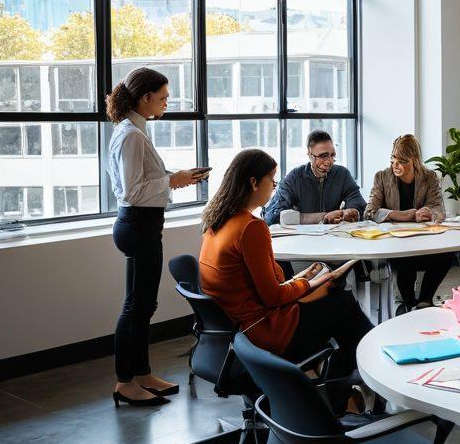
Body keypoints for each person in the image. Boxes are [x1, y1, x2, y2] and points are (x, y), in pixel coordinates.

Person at [199, 149, 370, 385]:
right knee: (344, 306)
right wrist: (308, 283)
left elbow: (257, 287)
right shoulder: (251, 228)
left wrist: (299, 279)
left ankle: (337, 393)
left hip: (242, 333)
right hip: (266, 331)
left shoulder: (216, 222)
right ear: (254, 182)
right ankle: (340, 394)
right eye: (272, 179)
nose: (274, 187)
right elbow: (273, 297)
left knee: (341, 310)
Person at [107, 67, 210, 407]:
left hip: (142, 224)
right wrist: (172, 180)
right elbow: (134, 191)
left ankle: (142, 374)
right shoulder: (132, 135)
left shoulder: (137, 131)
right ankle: (125, 382)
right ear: (145, 97)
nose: (167, 102)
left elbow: (141, 180)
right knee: (136, 307)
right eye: (163, 97)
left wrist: (174, 177)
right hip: (137, 224)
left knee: (142, 305)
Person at [365, 134, 452, 312]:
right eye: (392, 158)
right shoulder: (382, 177)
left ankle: (425, 301)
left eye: (401, 160)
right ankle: (408, 303)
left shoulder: (429, 177)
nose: (395, 164)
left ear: (414, 160)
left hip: (424, 241)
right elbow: (369, 212)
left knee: (447, 254)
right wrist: (399, 215)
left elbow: (439, 210)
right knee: (405, 259)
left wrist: (429, 212)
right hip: (397, 243)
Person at [261, 129, 366, 226]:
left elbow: (360, 206)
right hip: (302, 240)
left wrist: (352, 212)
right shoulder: (294, 177)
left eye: (332, 155)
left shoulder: (342, 174)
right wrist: (323, 217)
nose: (329, 162)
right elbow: (271, 216)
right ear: (310, 155)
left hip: (334, 237)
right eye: (323, 156)